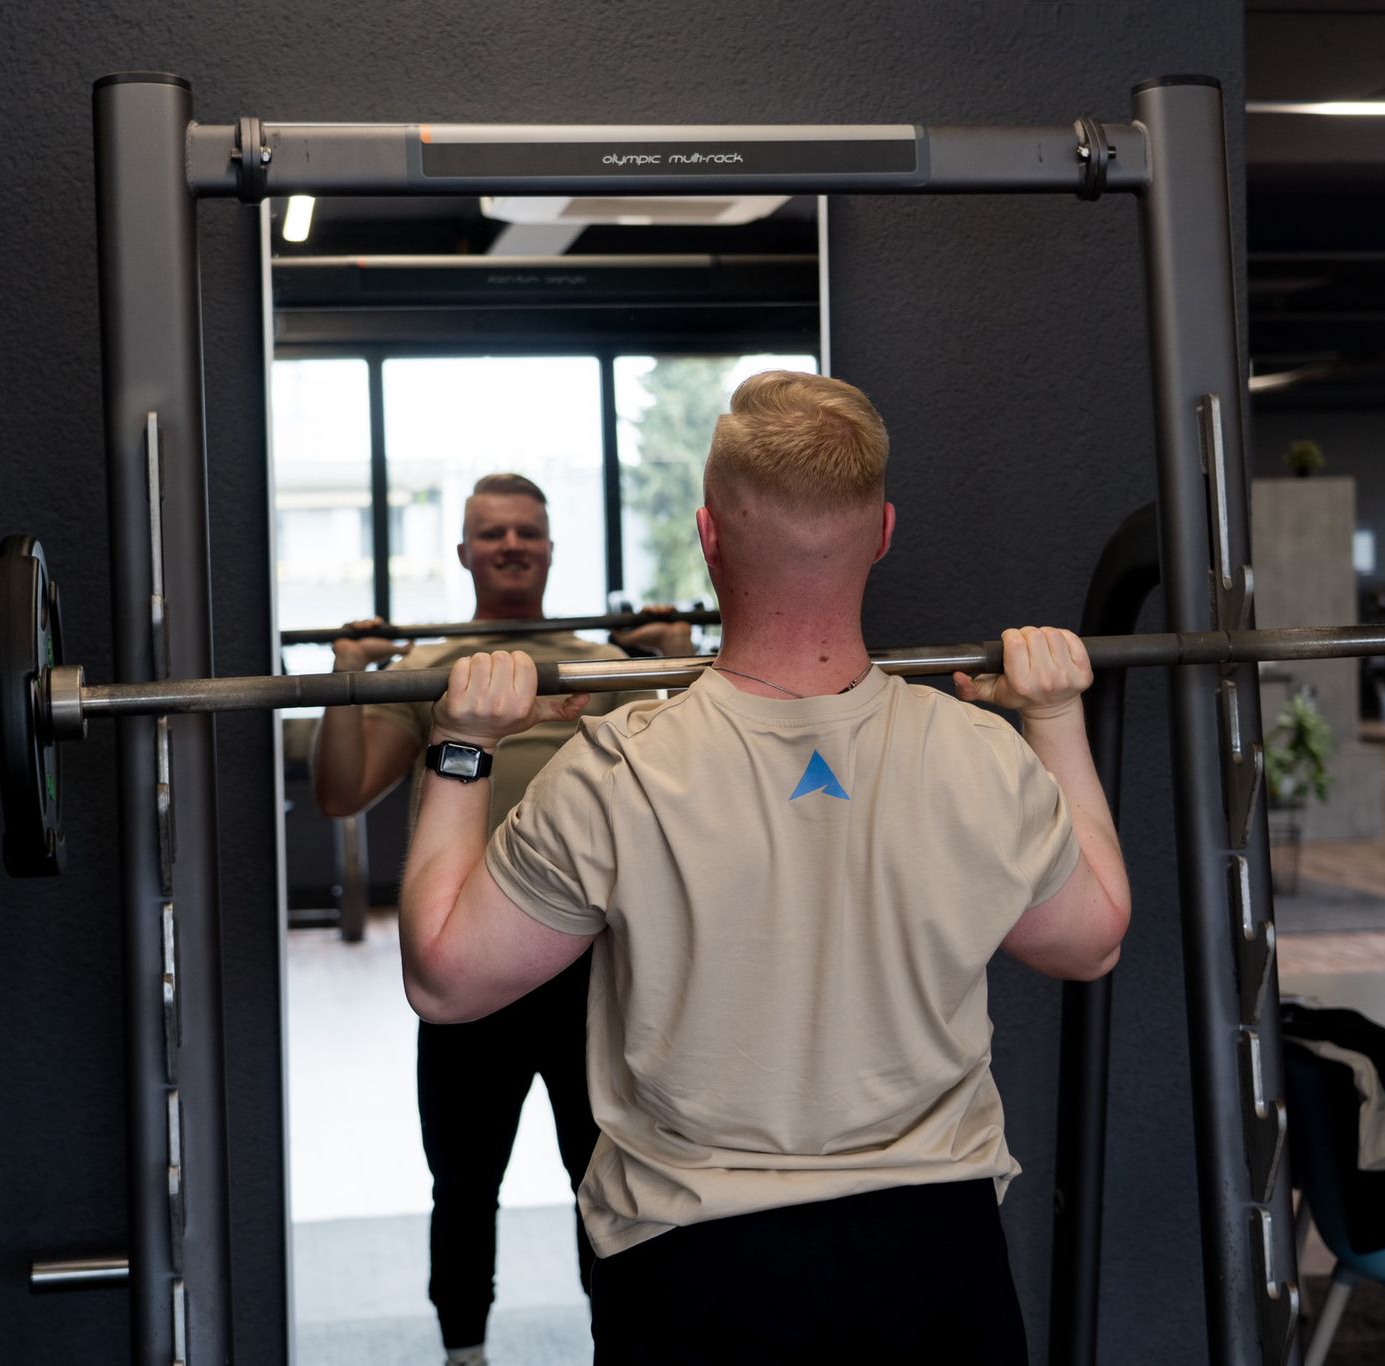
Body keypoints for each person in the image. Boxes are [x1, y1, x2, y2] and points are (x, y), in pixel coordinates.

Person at [395, 371, 1132, 1363]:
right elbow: (1090, 941)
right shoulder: (978, 753)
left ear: (708, 536)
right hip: (933, 1256)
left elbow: (444, 976)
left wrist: (460, 741)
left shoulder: (617, 770)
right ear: (880, 532)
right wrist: (1052, 717)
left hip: (696, 1266)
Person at [310, 472, 688, 1366]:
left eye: (527, 531)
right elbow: (338, 792)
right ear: (466, 552)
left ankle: (618, 1344)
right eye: (492, 534)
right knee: (464, 1181)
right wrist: (341, 677)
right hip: (469, 968)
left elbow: (695, 792)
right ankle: (463, 1352)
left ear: (550, 549)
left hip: (593, 971)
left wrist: (679, 668)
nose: (511, 545)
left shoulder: (610, 667)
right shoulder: (428, 672)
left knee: (605, 1178)